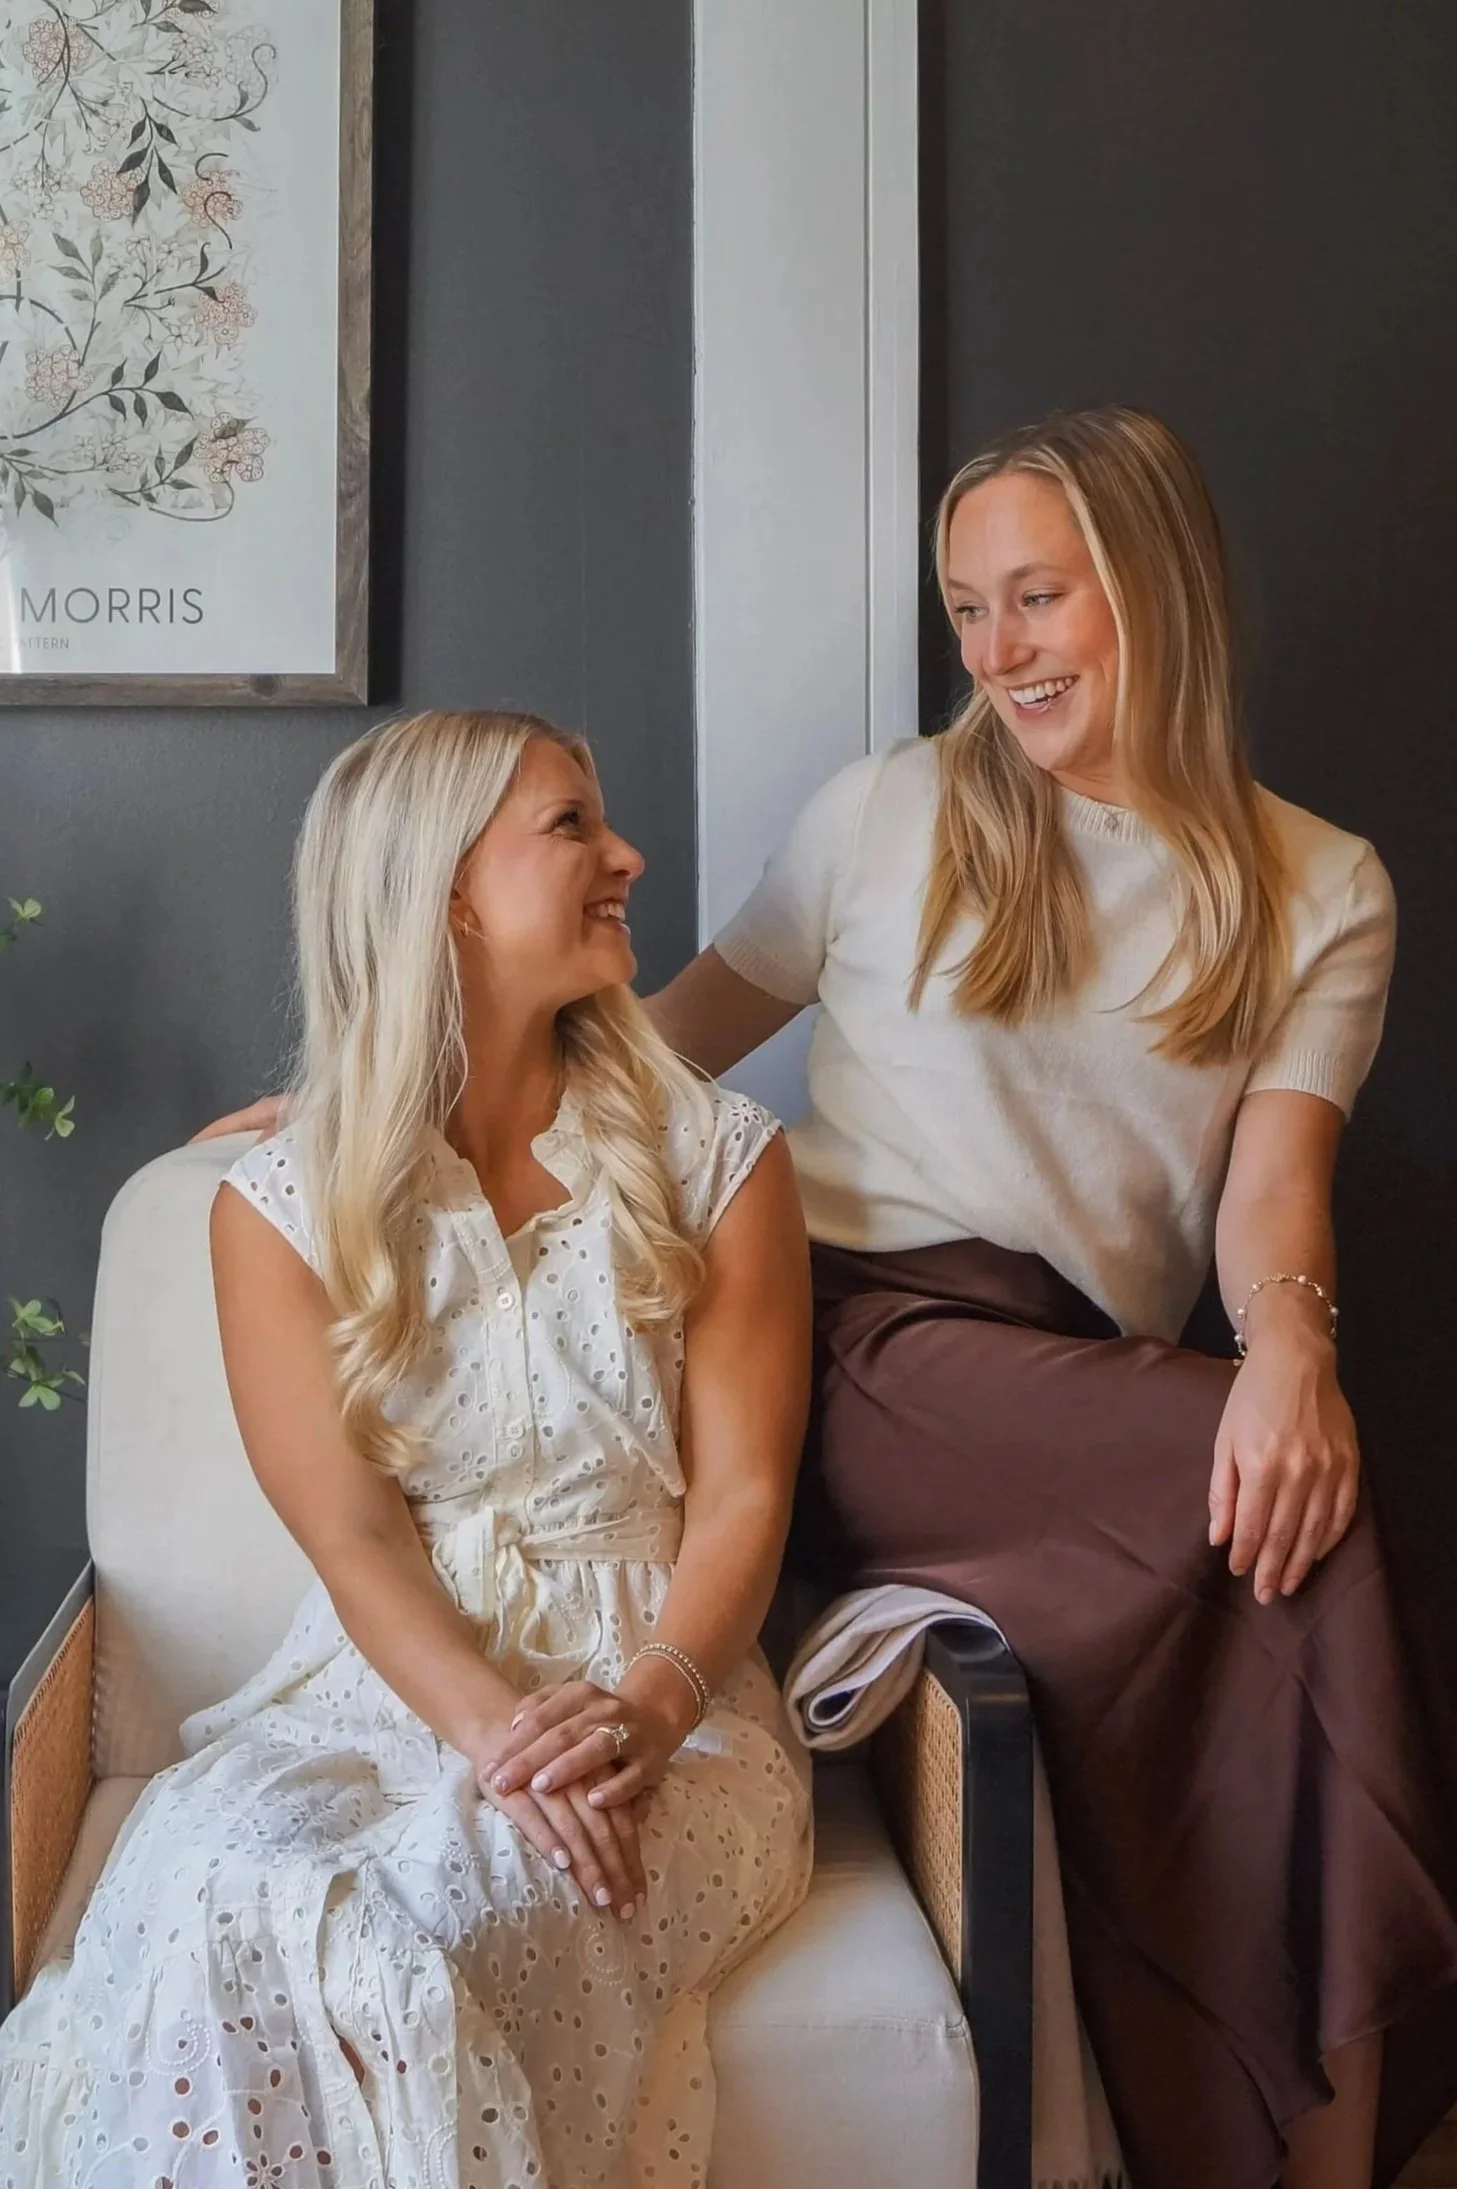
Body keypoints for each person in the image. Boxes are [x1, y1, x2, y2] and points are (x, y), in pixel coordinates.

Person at [190, 407, 1456, 2188]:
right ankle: (1350, 2134)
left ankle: (1285, 2125)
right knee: (1272, 1509)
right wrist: (375, 1096)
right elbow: (657, 1044)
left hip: (1074, 1392)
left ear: (1157, 590)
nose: (999, 652)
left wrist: (1294, 1353)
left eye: (1039, 597)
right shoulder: (891, 811)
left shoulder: (1325, 886)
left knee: (1294, 1514)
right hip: (857, 1340)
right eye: (969, 610)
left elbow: (1274, 1188)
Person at [0, 710, 814, 2189]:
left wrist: (639, 1715)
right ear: (449, 893)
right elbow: (353, 1536)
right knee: (222, 1895)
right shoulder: (279, 1207)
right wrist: (499, 1739)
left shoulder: (722, 1161)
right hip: (371, 1697)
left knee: (408, 1926)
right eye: (572, 826)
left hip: (662, 1710)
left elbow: (745, 1499)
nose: (629, 856)